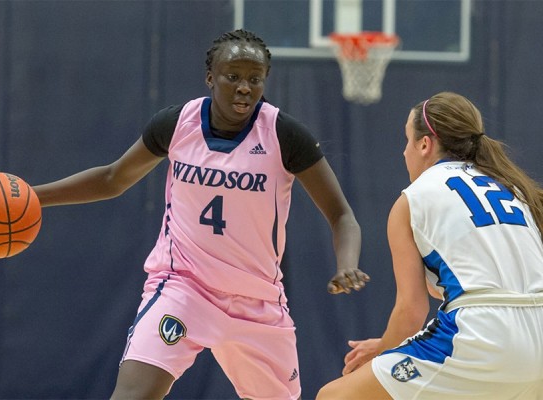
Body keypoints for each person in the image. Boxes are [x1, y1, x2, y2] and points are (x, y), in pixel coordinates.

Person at [33, 29, 369, 400]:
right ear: (210, 77)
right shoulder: (177, 124)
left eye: (255, 79)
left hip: (257, 302)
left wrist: (346, 263)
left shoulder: (283, 134)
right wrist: (34, 198)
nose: (245, 87)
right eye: (233, 76)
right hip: (183, 286)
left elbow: (341, 215)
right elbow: (113, 178)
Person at [317, 91, 543, 400]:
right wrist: (390, 345)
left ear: (425, 145)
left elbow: (412, 310)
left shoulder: (414, 198)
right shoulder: (512, 187)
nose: (404, 152)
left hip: (483, 338)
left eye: (407, 140)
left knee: (334, 396)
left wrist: (385, 351)